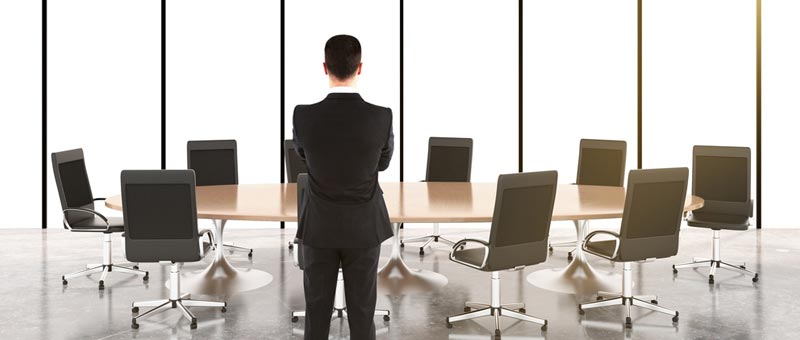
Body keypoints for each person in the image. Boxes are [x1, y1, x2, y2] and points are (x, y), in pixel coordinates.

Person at [292, 34, 394, 340]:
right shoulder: (381, 117)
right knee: (363, 315)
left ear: (325, 67)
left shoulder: (303, 115)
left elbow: (302, 156)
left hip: (319, 228)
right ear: (359, 67)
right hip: (364, 228)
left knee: (317, 314)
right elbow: (384, 162)